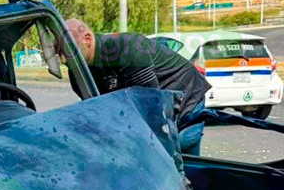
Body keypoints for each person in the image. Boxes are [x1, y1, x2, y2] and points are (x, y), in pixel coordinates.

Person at [64, 18, 211, 155]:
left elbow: (150, 106)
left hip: (186, 94)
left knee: (180, 154)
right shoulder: (78, 73)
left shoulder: (127, 49)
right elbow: (98, 111)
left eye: (67, 50)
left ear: (87, 39)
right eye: (59, 52)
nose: (63, 59)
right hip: (157, 102)